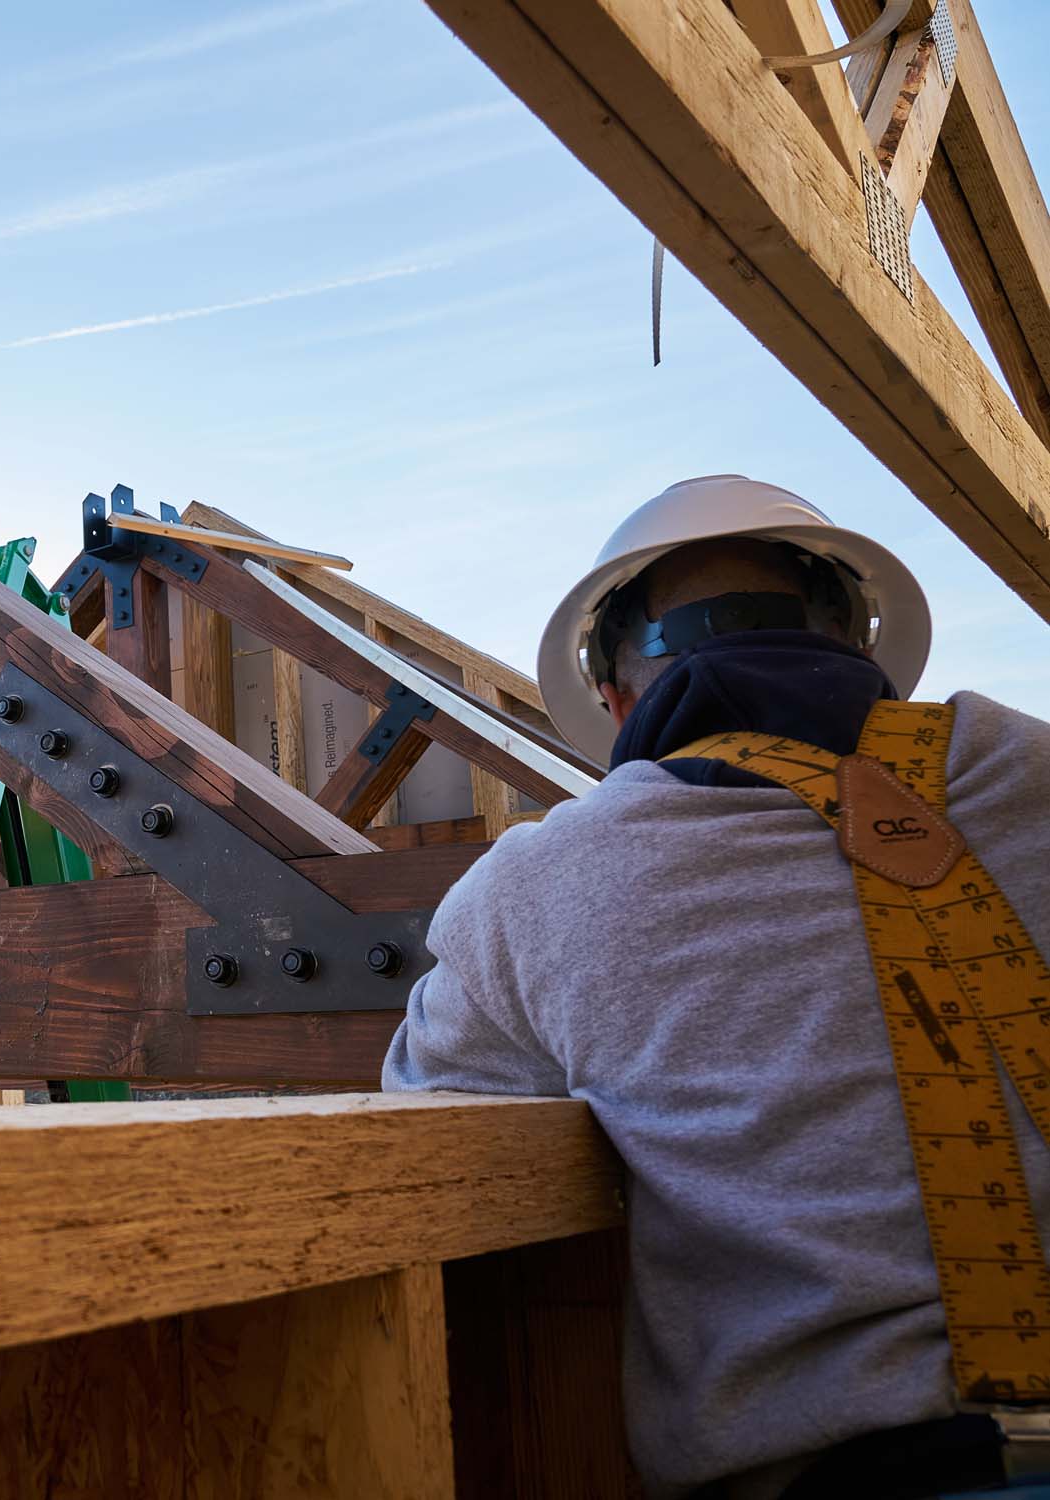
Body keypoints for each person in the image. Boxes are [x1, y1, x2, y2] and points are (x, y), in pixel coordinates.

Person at [381, 476, 1050, 1498]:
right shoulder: (1034, 769)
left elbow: (416, 1143)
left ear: (612, 699)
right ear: (858, 647)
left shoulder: (536, 885)